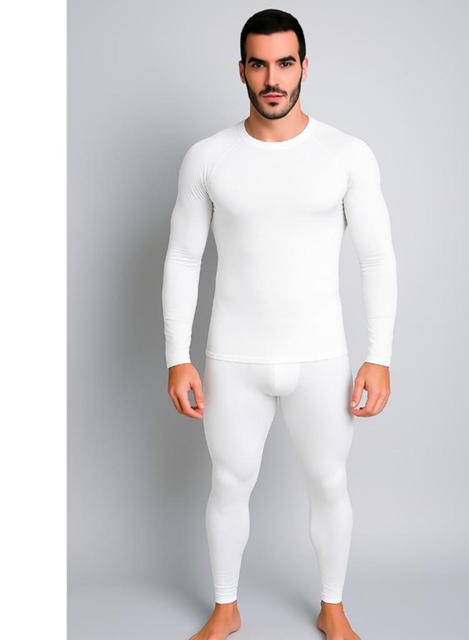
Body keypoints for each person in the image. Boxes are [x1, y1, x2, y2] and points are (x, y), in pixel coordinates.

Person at [162, 9, 397, 640]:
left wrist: (379, 355)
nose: (273, 78)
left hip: (321, 357)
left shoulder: (346, 154)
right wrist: (176, 356)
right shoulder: (208, 158)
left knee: (329, 482)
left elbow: (376, 257)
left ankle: (332, 607)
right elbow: (183, 257)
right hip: (233, 357)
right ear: (241, 69)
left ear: (304, 67)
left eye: (285, 63)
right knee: (228, 483)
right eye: (259, 64)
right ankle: (225, 607)